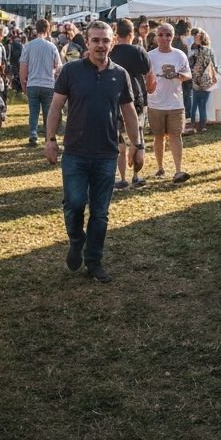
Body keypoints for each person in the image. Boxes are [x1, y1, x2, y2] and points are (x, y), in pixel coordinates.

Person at [44, 20, 141, 283]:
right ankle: (77, 240)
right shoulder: (70, 71)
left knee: (100, 212)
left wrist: (138, 145)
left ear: (112, 43)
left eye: (105, 40)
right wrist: (50, 139)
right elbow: (55, 108)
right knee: (74, 204)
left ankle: (94, 260)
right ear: (86, 42)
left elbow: (129, 113)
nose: (100, 45)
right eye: (95, 40)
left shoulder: (120, 74)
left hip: (107, 153)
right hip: (75, 152)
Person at [109, 18, 156, 189]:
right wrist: (151, 89)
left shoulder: (111, 51)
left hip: (114, 99)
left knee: (118, 140)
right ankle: (136, 176)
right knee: (138, 137)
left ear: (117, 34)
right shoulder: (139, 51)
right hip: (137, 98)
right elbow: (150, 76)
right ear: (132, 33)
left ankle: (121, 178)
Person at [146, 24, 191, 183]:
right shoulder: (149, 55)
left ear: (172, 36)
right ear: (156, 36)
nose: (164, 38)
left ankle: (178, 170)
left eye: (167, 35)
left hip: (175, 103)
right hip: (155, 102)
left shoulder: (179, 55)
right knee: (158, 137)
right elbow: (144, 77)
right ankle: (160, 167)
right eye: (161, 35)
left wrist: (178, 75)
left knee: (175, 136)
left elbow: (188, 75)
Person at [19, 19, 63, 147]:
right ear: (48, 30)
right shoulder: (52, 46)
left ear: (35, 30)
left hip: (32, 83)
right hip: (48, 84)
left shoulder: (28, 46)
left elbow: (23, 67)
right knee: (48, 112)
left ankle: (33, 135)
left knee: (33, 112)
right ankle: (48, 136)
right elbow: (58, 66)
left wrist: (23, 84)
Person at [188, 29, 217, 134]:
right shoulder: (210, 50)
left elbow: (189, 64)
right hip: (207, 80)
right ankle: (202, 126)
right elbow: (215, 66)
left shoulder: (194, 50)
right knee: (203, 105)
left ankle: (192, 125)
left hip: (196, 80)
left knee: (194, 104)